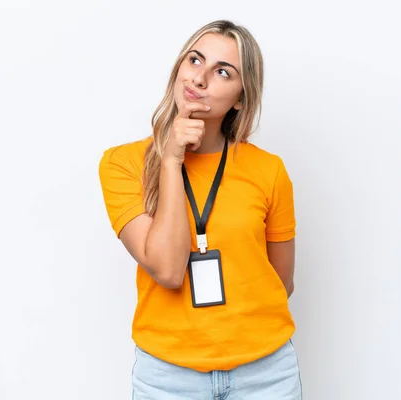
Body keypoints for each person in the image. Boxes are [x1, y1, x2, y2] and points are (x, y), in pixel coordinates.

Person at [98, 19, 302, 399]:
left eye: (222, 72)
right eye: (194, 60)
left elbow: (280, 283)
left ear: (242, 96)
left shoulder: (268, 170)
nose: (200, 79)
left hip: (266, 374)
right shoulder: (123, 164)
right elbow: (169, 271)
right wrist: (172, 160)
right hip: (168, 377)